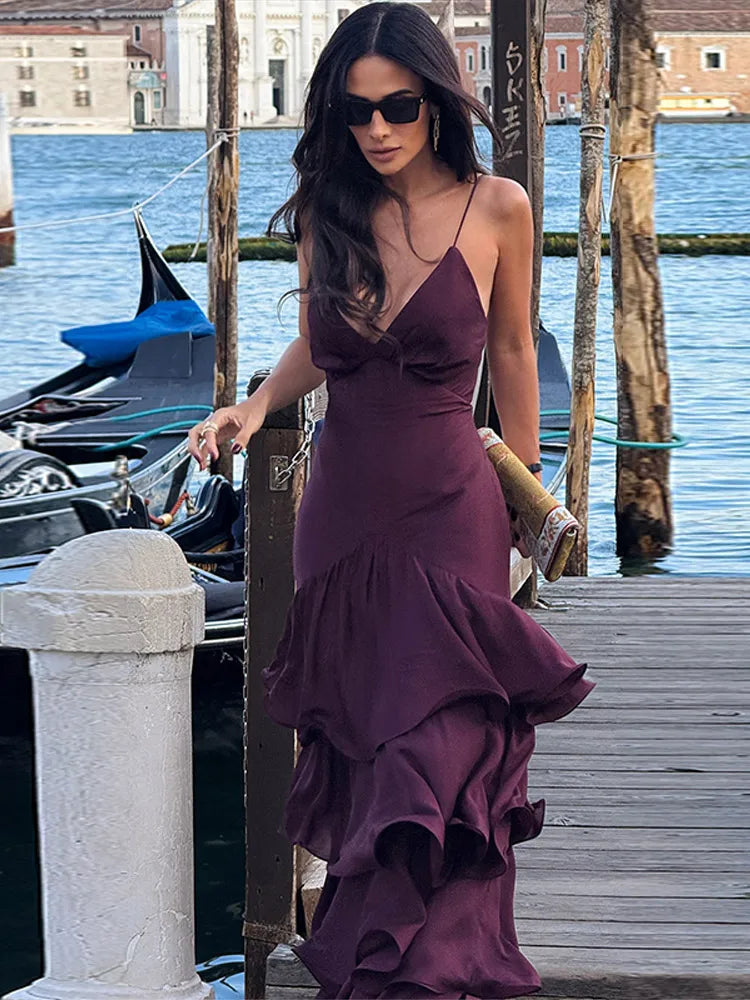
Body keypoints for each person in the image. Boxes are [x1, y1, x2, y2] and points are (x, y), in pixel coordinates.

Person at [187, 3, 595, 996]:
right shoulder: (332, 209)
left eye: (398, 107)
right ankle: (378, 955)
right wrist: (252, 403)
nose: (376, 130)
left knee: (442, 738)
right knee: (370, 742)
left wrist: (525, 502)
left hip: (452, 508)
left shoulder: (496, 206)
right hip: (342, 516)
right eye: (356, 111)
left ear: (434, 102)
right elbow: (319, 345)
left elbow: (510, 355)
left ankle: (432, 962)